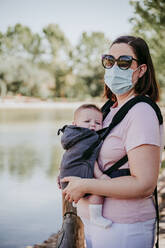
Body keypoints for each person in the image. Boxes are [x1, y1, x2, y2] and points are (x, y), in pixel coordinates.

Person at [61, 35, 164, 248]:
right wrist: (71, 175)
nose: (115, 67)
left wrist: (85, 184)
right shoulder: (107, 110)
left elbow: (144, 184)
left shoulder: (141, 112)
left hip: (124, 227)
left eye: (124, 62)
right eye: (109, 61)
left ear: (141, 70)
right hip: (97, 224)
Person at [59, 104, 112, 228]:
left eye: (98, 123)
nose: (93, 125)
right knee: (98, 191)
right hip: (76, 177)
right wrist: (101, 176)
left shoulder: (72, 136)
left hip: (67, 177)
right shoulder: (89, 138)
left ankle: (80, 205)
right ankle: (96, 217)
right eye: (87, 121)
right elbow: (89, 160)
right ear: (75, 124)